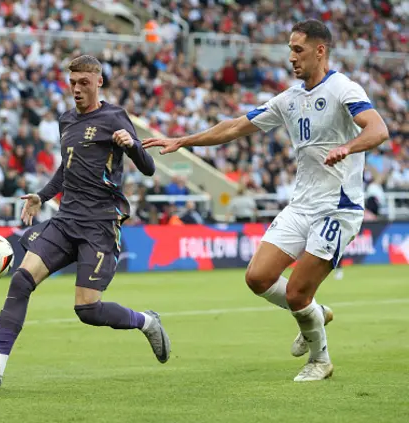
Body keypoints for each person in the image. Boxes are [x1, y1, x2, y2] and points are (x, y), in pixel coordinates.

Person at [143, 20, 388, 382]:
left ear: (320, 51)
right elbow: (232, 127)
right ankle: (317, 312)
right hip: (301, 205)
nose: (291, 57)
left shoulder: (342, 89)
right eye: (289, 49)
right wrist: (184, 140)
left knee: (296, 291)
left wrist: (347, 147)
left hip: (337, 208)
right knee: (257, 277)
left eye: (298, 49)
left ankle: (320, 360)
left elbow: (378, 128)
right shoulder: (288, 100)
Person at [0, 55, 171, 388]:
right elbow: (65, 170)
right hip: (65, 220)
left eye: (83, 83)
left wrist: (131, 146)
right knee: (21, 281)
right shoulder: (66, 120)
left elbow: (148, 167)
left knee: (87, 310)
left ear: (99, 82)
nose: (76, 89)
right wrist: (42, 196)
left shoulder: (115, 117)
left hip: (99, 225)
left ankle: (146, 322)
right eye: (72, 83)